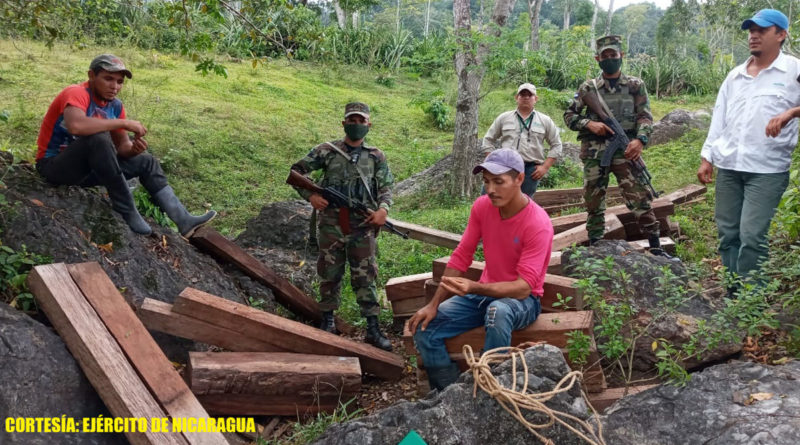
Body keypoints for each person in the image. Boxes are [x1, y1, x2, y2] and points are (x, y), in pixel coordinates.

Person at [409, 148, 553, 390]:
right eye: (486, 181)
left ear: (520, 179)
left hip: (523, 302)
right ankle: (450, 395)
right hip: (484, 294)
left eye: (499, 182)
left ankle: (490, 388)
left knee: (498, 312)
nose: (490, 190)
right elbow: (461, 257)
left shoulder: (537, 223)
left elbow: (522, 289)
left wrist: (475, 286)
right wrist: (432, 305)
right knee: (425, 328)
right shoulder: (482, 207)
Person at [36, 54, 215, 237]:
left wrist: (133, 150)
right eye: (108, 79)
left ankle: (183, 220)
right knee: (98, 138)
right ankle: (127, 210)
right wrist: (123, 123)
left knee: (147, 162)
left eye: (120, 81)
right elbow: (77, 125)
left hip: (88, 172)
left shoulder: (115, 106)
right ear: (91, 75)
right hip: (54, 167)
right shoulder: (77, 93)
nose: (115, 86)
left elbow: (122, 147)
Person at [698, 9, 800, 286]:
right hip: (729, 166)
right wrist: (707, 157)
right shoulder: (735, 76)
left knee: (752, 236)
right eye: (751, 30)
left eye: (762, 30)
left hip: (767, 169)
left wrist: (790, 113)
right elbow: (720, 118)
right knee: (728, 233)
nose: (753, 35)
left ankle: (750, 300)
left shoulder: (793, 70)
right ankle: (734, 293)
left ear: (781, 34)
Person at [290, 102, 393, 351]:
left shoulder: (376, 155)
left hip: (363, 225)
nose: (356, 125)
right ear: (344, 123)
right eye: (352, 120)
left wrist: (383, 210)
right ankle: (328, 321)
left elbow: (387, 186)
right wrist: (311, 197)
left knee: (366, 275)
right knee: (329, 273)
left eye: (361, 121)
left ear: (369, 124)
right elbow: (296, 172)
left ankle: (372, 327)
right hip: (331, 225)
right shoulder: (327, 151)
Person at [564, 35, 674, 259]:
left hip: (626, 151)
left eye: (613, 55)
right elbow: (569, 115)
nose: (609, 59)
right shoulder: (588, 88)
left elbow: (645, 117)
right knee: (593, 200)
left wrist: (639, 140)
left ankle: (655, 246)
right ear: (598, 59)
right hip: (595, 153)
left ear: (621, 56)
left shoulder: (635, 85)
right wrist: (589, 124)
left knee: (640, 197)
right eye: (605, 56)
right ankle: (596, 245)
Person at [481, 83, 563, 197]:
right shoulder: (504, 117)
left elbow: (557, 145)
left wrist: (545, 167)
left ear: (536, 99)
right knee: (489, 198)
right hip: (504, 166)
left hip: (530, 170)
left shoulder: (545, 120)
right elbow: (488, 139)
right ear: (516, 97)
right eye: (522, 94)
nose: (526, 97)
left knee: (522, 204)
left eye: (530, 95)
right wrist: (491, 160)